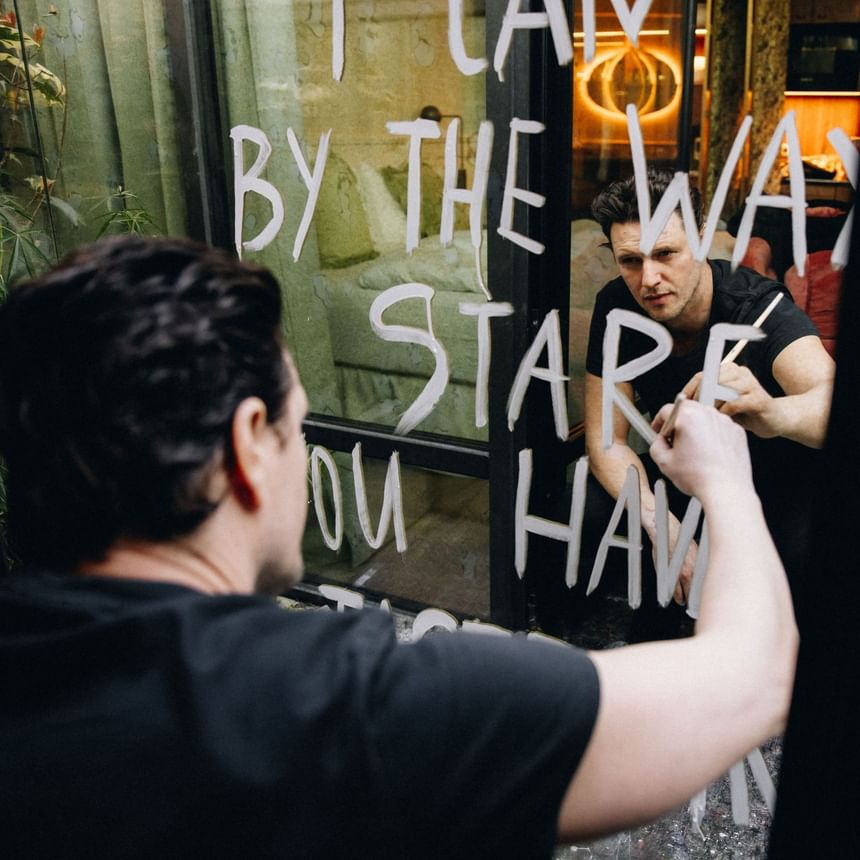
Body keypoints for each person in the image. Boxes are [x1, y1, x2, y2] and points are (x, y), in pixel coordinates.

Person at [0, 236, 797, 857]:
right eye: (295, 425)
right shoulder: (362, 707)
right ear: (249, 446)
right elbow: (752, 678)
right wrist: (727, 482)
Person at [582, 169, 835, 614]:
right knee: (584, 504)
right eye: (631, 261)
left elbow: (831, 403)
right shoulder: (616, 306)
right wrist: (663, 525)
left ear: (700, 238)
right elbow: (607, 439)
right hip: (682, 477)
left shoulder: (759, 307)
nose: (649, 280)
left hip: (772, 485)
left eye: (666, 254)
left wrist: (772, 412)